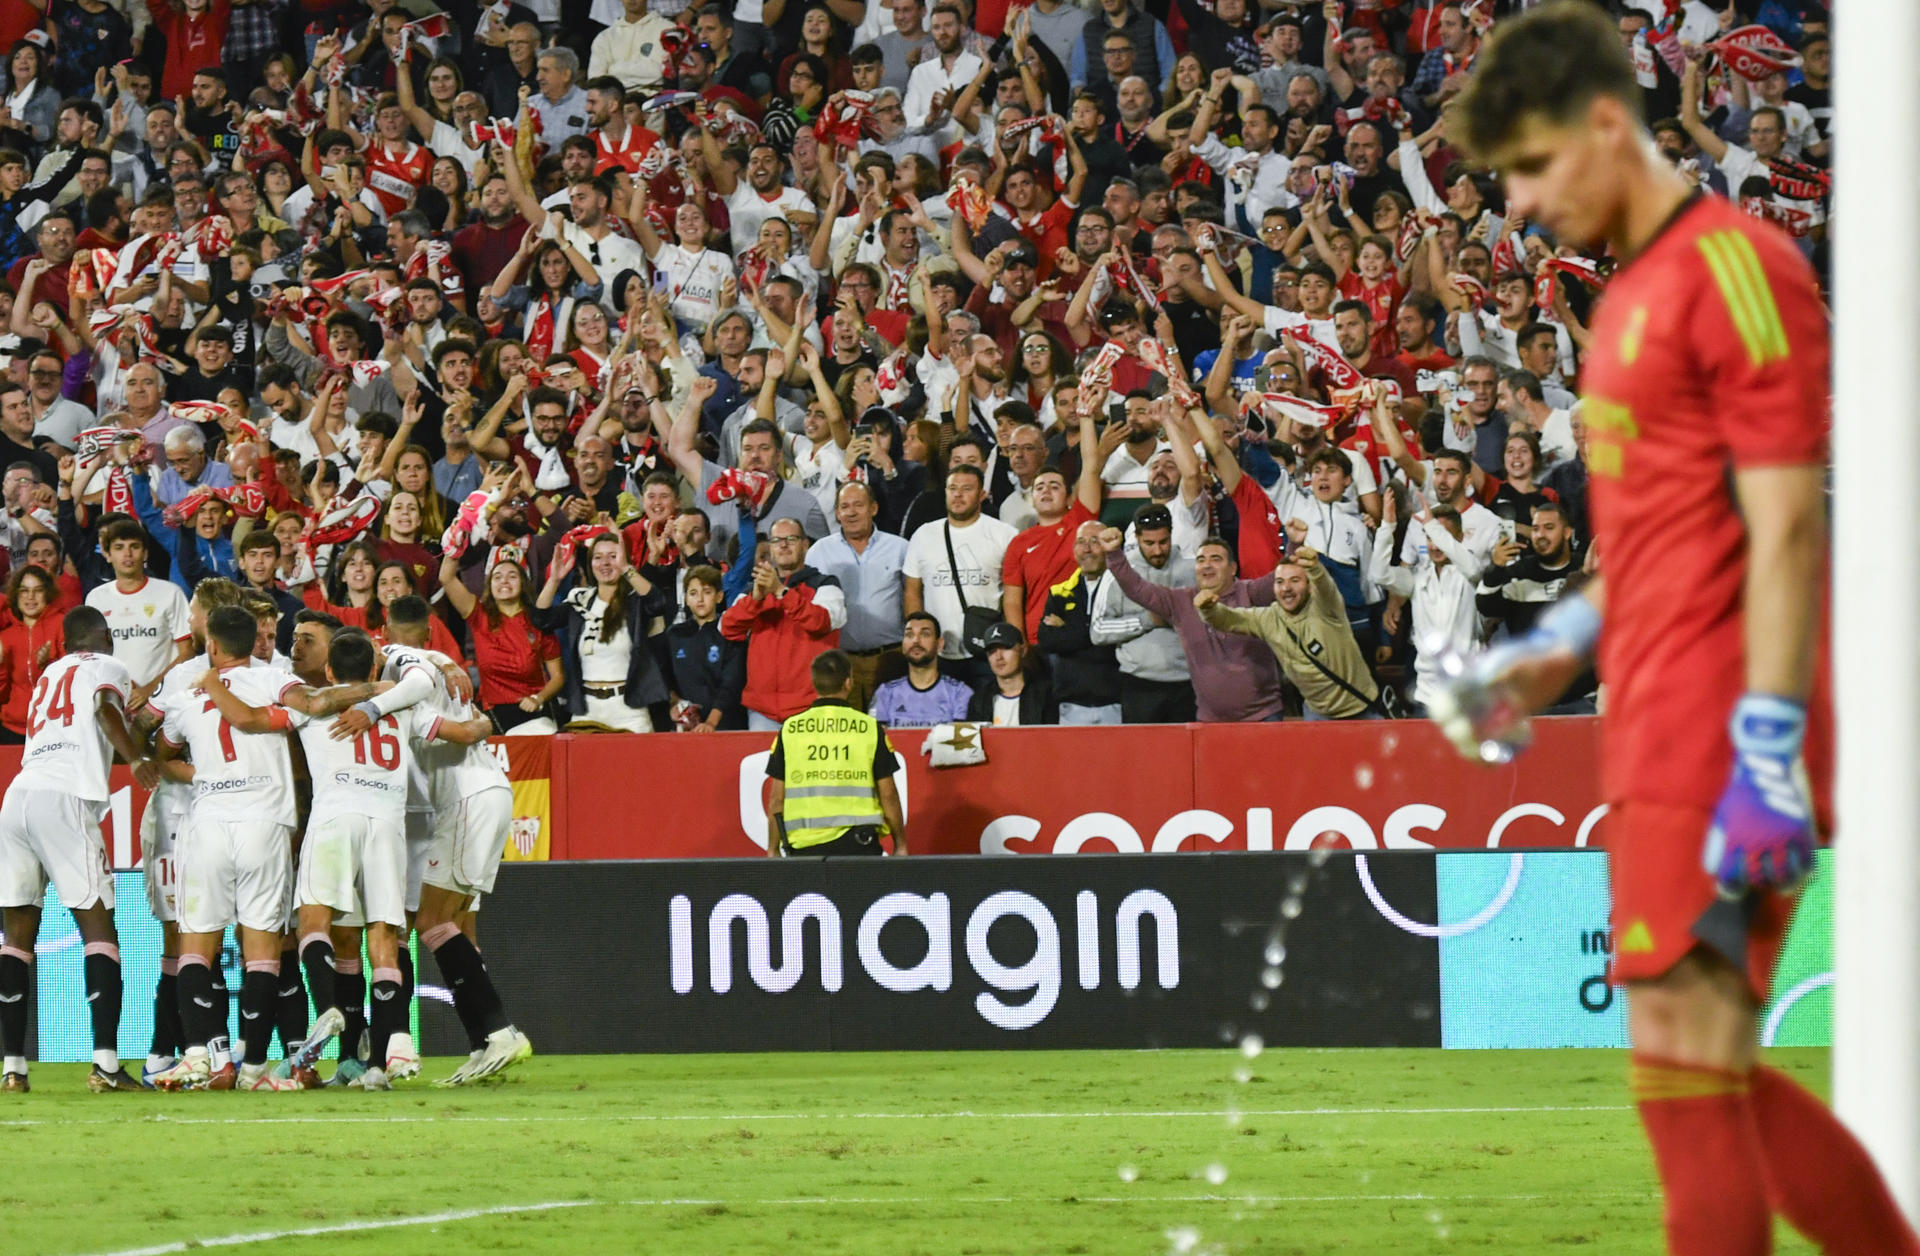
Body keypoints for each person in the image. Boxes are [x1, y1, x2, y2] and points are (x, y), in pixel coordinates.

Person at [1438, 10, 1919, 1254]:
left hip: (1725, 726)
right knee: (1708, 1087)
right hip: (1654, 726)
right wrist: (1549, 653)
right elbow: (1660, 547)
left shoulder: (1738, 269)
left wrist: (1766, 744)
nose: (1528, 204)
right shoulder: (1629, 303)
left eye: (1537, 167)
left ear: (1608, 122)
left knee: (1687, 1095)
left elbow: (1786, 526)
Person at [197, 628, 494, 1088]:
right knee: (384, 938)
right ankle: (379, 1064)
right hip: (387, 827)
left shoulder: (314, 707)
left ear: (331, 670)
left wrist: (213, 683)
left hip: (335, 820)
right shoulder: (403, 704)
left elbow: (251, 720)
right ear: (373, 670)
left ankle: (330, 1005)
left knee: (314, 924)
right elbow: (462, 733)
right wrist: (484, 722)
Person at [333, 596, 535, 1085]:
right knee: (456, 927)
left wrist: (370, 706)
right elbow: (437, 678)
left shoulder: (401, 661)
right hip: (477, 797)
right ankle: (485, 1041)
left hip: (467, 799)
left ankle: (501, 1031)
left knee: (429, 921)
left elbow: (419, 673)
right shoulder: (427, 670)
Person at [0, 606, 155, 1093]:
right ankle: (106, 1065)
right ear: (106, 637)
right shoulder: (108, 666)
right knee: (100, 927)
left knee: (16, 936)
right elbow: (109, 708)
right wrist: (138, 758)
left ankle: (12, 1068)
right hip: (65, 799)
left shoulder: (50, 672)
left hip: (18, 797)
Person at [1099, 527, 1284, 723]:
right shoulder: (1180, 602)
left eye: (1216, 559)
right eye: (1201, 560)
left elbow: (1283, 577)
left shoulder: (1252, 593)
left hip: (1263, 716)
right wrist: (1114, 554)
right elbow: (1136, 588)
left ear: (1233, 568)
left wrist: (1294, 546)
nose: (1207, 565)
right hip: (1211, 721)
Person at [1199, 542, 1379, 720]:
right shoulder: (1269, 618)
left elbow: (1327, 589)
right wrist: (1208, 609)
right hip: (1318, 715)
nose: (1286, 588)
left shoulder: (1326, 608)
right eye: (1280, 582)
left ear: (1309, 586)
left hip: (1362, 709)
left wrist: (1316, 569)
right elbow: (1228, 619)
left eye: (1295, 580)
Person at [764, 648, 907, 858]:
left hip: (804, 849)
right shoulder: (869, 728)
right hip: (858, 846)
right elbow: (888, 793)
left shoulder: (790, 730)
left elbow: (777, 798)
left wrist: (772, 848)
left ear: (815, 684)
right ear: (848, 682)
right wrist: (900, 844)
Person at [719, 517, 847, 730]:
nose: (784, 545)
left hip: (812, 708)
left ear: (805, 545)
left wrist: (781, 592)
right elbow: (726, 628)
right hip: (763, 711)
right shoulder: (754, 590)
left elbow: (821, 622)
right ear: (770, 547)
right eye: (777, 540)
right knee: (763, 764)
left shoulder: (825, 585)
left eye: (791, 538)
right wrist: (756, 600)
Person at [903, 463, 1018, 685]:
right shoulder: (924, 535)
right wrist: (920, 640)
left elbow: (1013, 595)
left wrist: (1012, 643)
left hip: (989, 651)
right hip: (938, 653)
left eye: (967, 489)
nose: (958, 494)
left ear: (982, 494)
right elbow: (912, 592)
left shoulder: (1004, 535)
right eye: (952, 488)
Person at [806, 481, 907, 712]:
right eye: (844, 506)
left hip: (890, 660)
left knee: (889, 733)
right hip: (840, 663)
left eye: (858, 505)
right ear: (837, 513)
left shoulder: (900, 549)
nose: (851, 512)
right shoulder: (818, 553)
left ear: (874, 508)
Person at [1090, 503, 1195, 724]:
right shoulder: (1118, 572)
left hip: (1189, 683)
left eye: (1163, 542)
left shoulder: (1193, 568)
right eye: (1149, 543)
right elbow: (1098, 629)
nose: (1157, 550)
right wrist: (1147, 620)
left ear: (1171, 534)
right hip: (1139, 685)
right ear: (1136, 538)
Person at [83, 519, 193, 709]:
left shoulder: (170, 593)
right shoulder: (96, 598)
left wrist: (152, 689)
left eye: (134, 546)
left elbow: (187, 652)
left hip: (162, 704)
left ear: (145, 553)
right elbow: (93, 656)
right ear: (108, 555)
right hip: (114, 702)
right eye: (119, 547)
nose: (127, 554)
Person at [1037, 519, 1121, 725]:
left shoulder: (1123, 590)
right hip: (1070, 704)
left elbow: (1116, 644)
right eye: (1081, 542)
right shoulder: (1059, 592)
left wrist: (1068, 630)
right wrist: (1095, 633)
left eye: (1095, 541)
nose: (1087, 548)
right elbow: (1047, 640)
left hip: (1115, 702)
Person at [869, 610, 974, 727]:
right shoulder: (885, 693)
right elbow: (875, 740)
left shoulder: (960, 693)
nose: (916, 640)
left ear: (939, 644)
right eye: (909, 635)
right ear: (903, 645)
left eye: (925, 634)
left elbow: (961, 742)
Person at [966, 620, 1055, 726]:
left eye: (1006, 648)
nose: (998, 657)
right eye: (992, 651)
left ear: (1023, 651)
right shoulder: (979, 700)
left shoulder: (1046, 694)